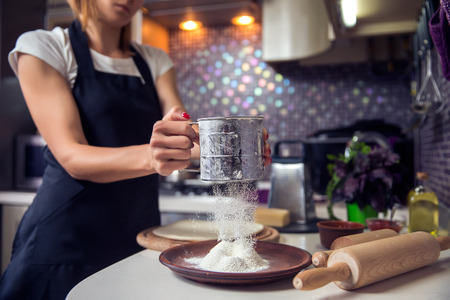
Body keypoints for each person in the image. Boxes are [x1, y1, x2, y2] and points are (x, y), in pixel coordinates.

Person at [0, 0, 272, 299]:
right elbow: (72, 157)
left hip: (136, 233)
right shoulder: (43, 47)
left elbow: (186, 141)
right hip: (66, 239)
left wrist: (238, 150)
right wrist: (152, 157)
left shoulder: (154, 60)